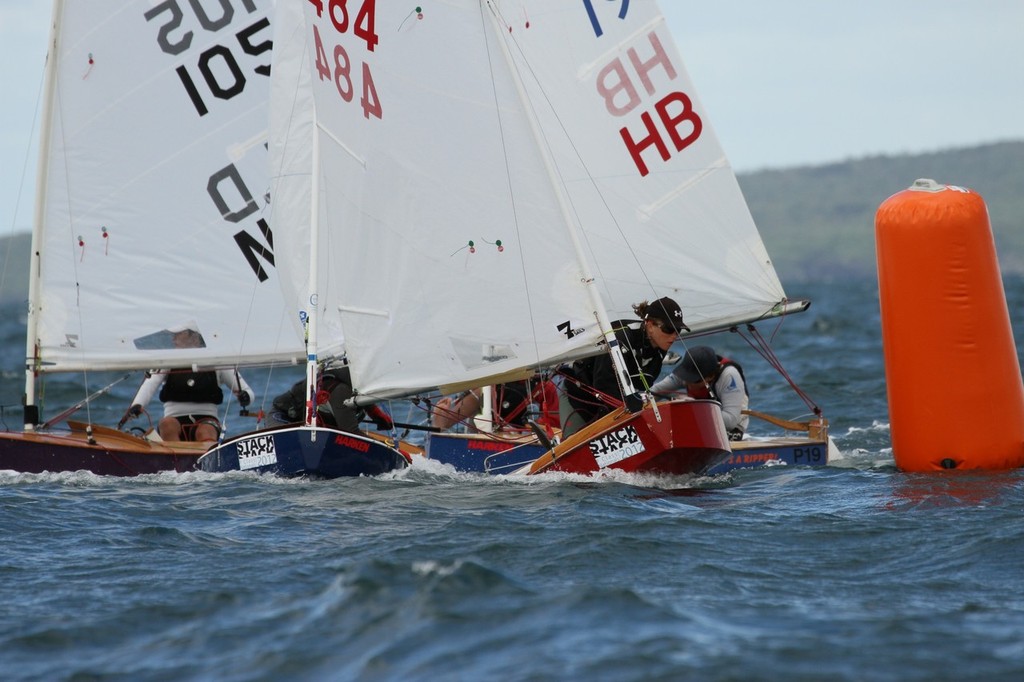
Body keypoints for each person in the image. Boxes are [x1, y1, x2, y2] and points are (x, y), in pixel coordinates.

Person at [560, 296, 689, 438]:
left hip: (612, 406)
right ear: (650, 325)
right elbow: (604, 385)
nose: (674, 336)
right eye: (669, 329)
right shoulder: (621, 337)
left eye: (678, 330)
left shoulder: (660, 346)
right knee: (576, 444)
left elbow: (642, 385)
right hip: (578, 396)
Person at [124, 324, 255, 442]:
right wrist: (137, 405)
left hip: (206, 418)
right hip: (174, 418)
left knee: (204, 432)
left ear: (195, 338)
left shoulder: (216, 360)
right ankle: (174, 463)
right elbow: (149, 385)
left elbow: (248, 392)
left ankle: (207, 464)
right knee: (167, 425)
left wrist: (245, 397)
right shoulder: (167, 360)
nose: (173, 339)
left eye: (178, 335)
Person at [267, 360, 393, 433]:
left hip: (312, 429)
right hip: (282, 418)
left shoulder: (356, 385)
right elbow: (350, 433)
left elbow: (362, 396)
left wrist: (375, 413)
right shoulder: (341, 391)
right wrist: (390, 451)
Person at [651, 345, 749, 440]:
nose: (687, 382)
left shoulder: (729, 376)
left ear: (710, 377)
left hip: (731, 427)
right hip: (701, 420)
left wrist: (693, 409)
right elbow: (654, 392)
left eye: (693, 379)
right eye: (686, 376)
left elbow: (730, 421)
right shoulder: (686, 372)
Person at [430, 378, 559, 432]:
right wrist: (440, 413)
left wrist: (529, 431)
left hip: (522, 443)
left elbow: (555, 428)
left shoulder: (542, 386)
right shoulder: (484, 388)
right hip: (480, 445)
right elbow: (443, 425)